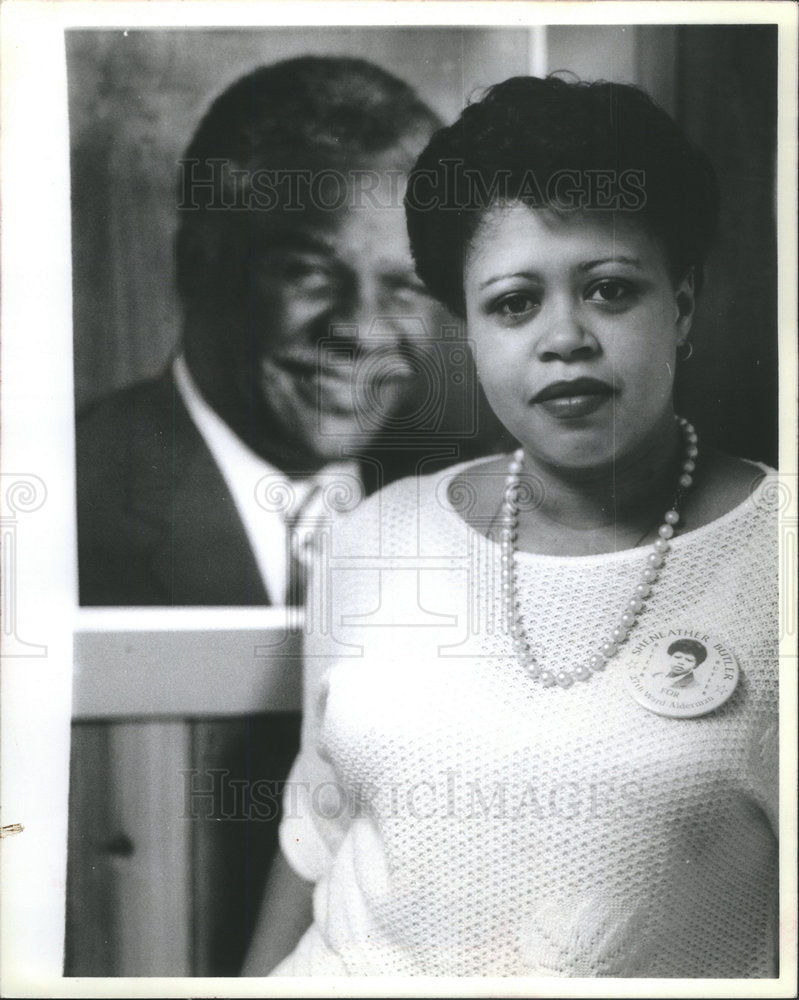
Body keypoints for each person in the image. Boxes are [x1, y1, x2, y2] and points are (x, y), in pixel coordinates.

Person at [244, 74, 778, 978]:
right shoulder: (376, 536)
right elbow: (317, 837)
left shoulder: (782, 558)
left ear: (680, 305)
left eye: (609, 291)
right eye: (513, 303)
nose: (563, 337)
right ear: (470, 330)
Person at [76, 55, 487, 607]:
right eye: (307, 272)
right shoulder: (68, 500)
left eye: (408, 286)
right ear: (197, 263)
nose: (362, 331)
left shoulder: (481, 500)